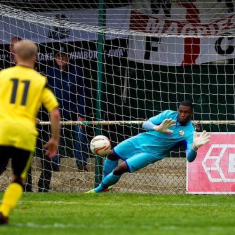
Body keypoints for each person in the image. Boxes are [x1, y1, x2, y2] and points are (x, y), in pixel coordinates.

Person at [86, 100, 210, 193]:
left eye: (186, 112)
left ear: (191, 113)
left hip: (152, 153)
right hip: (140, 140)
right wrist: (157, 128)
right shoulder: (168, 114)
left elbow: (190, 158)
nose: (182, 114)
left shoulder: (189, 133)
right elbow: (145, 124)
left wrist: (194, 148)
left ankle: (99, 189)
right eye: (181, 111)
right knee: (112, 155)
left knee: (120, 169)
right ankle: (107, 185)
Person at [0, 40, 60, 224]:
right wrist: (54, 140)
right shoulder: (40, 80)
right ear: (35, 58)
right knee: (18, 177)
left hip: (2, 131)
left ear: (14, 56)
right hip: (25, 134)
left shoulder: (3, 75)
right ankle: (3, 212)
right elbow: (55, 112)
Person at [37, 50, 90, 192]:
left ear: (68, 57)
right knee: (54, 135)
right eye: (58, 56)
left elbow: (83, 93)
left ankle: (81, 164)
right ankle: (55, 164)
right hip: (56, 111)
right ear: (54, 58)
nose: (61, 58)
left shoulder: (77, 71)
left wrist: (81, 113)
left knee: (80, 133)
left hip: (75, 110)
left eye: (63, 55)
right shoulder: (50, 72)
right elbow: (45, 94)